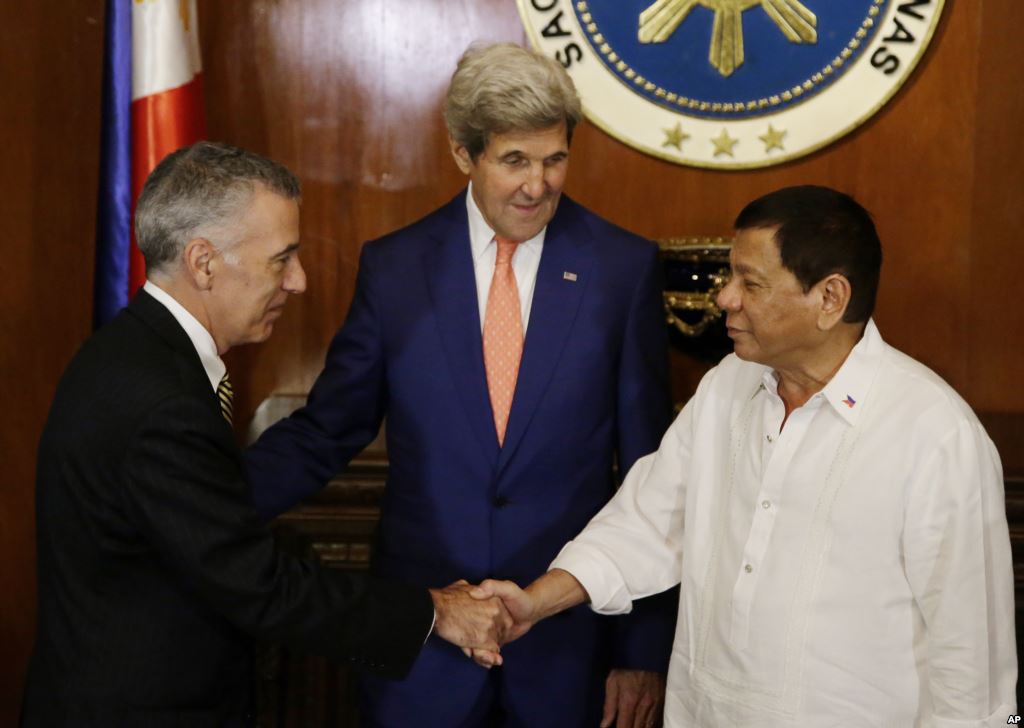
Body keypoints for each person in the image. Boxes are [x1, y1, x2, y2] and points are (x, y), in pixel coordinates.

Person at [471, 185, 1018, 726]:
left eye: (749, 283)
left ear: (830, 298)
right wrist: (535, 602)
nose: (724, 297)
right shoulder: (727, 386)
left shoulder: (936, 434)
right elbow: (646, 525)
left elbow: (972, 663)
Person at [245, 43, 676, 727]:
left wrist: (644, 650)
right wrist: (208, 503)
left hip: (566, 653)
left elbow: (656, 480)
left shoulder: (620, 269)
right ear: (461, 153)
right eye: (514, 161)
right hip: (423, 650)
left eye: (555, 158)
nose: (539, 185)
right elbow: (329, 430)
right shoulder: (395, 270)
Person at [21, 141, 512, 727]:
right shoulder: (161, 402)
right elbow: (260, 586)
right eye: (282, 259)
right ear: (203, 263)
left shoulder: (133, 354)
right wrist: (436, 611)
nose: (299, 281)